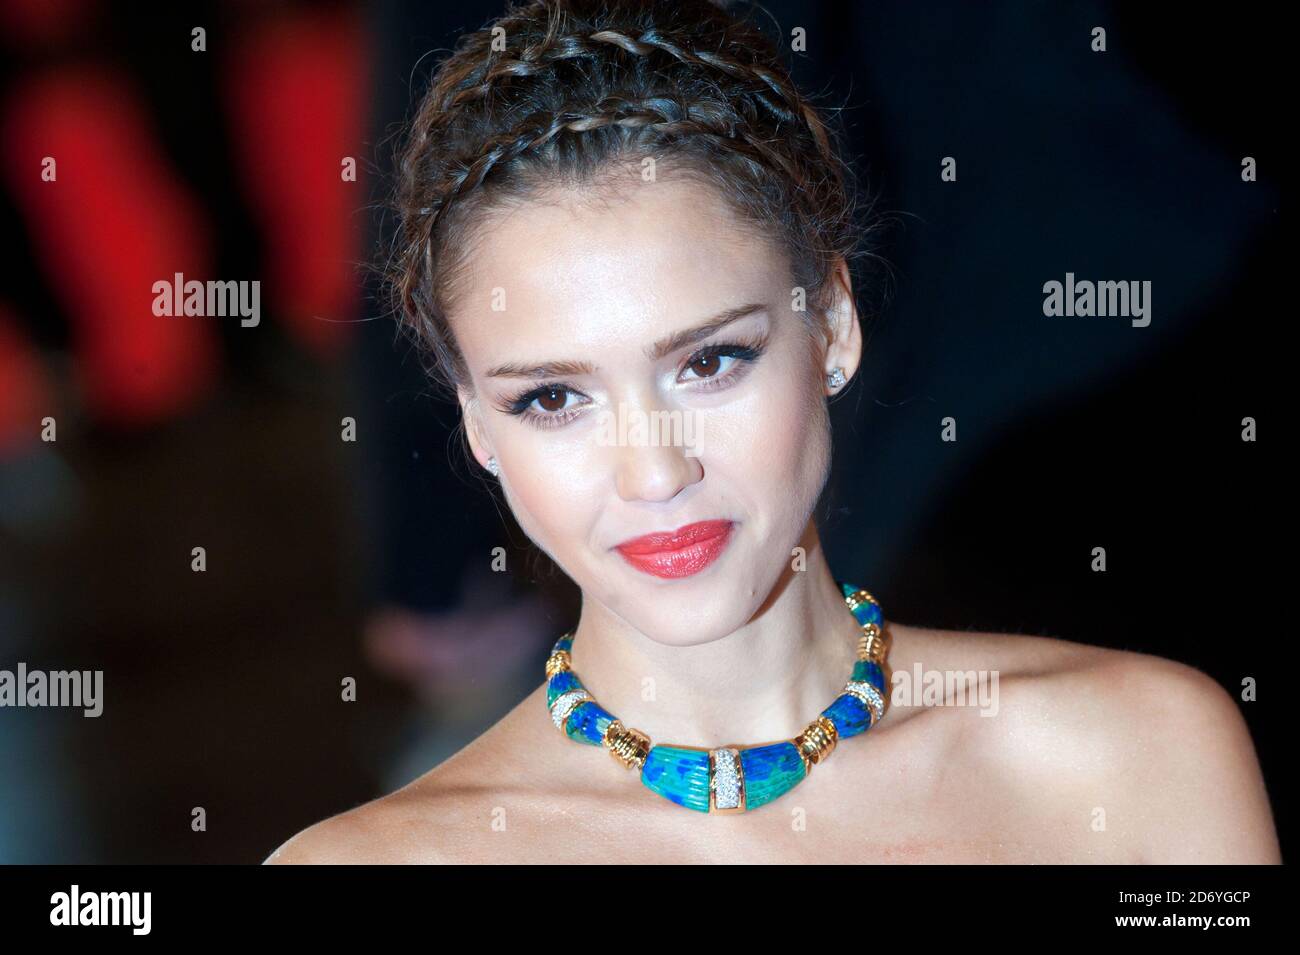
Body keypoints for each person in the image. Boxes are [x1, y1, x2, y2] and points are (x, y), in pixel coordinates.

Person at [265, 0, 1280, 863]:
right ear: (475, 423)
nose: (653, 470)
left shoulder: (1142, 760)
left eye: (708, 361)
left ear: (832, 326)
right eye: (551, 398)